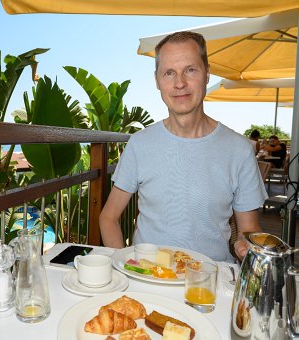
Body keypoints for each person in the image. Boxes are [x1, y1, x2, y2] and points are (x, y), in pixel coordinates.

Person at [99, 31, 268, 262]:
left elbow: (249, 230)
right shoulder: (139, 144)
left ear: (207, 74)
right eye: (169, 73)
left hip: (209, 283)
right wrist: (126, 265)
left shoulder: (239, 149)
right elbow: (108, 217)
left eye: (190, 70)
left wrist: (246, 243)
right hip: (149, 278)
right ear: (157, 80)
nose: (180, 83)